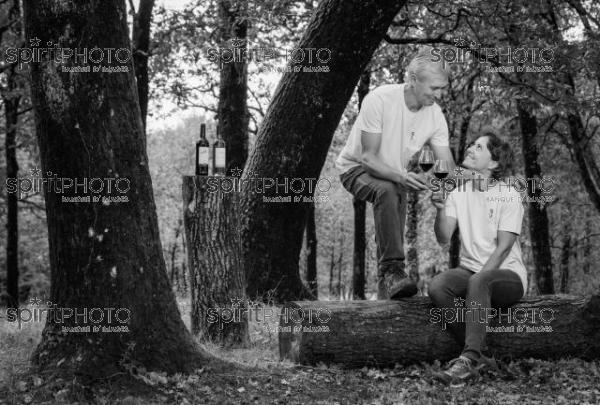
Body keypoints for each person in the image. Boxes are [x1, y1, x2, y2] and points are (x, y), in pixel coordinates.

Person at [336, 47, 456, 299]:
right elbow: (367, 158)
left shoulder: (435, 116)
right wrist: (401, 177)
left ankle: (388, 289)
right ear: (412, 80)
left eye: (442, 88)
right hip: (355, 168)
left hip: (394, 178)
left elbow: (446, 165)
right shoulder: (380, 99)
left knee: (393, 217)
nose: (439, 95)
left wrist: (442, 185)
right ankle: (392, 270)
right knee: (389, 189)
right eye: (434, 88)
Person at [428, 132, 528, 383]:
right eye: (472, 145)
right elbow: (443, 237)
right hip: (471, 271)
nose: (471, 149)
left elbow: (504, 248)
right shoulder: (458, 193)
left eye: (479, 147)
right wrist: (440, 211)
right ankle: (479, 354)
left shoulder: (508, 194)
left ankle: (468, 360)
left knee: (479, 281)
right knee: (438, 286)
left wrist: (480, 278)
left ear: (493, 163)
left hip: (508, 275)